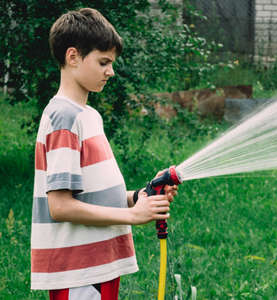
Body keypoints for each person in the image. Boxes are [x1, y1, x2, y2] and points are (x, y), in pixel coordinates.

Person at [31, 8, 178, 299]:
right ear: (73, 57)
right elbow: (60, 206)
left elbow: (89, 195)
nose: (110, 71)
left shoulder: (88, 116)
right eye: (103, 62)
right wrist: (133, 217)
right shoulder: (64, 117)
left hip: (98, 266)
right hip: (79, 271)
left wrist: (138, 198)